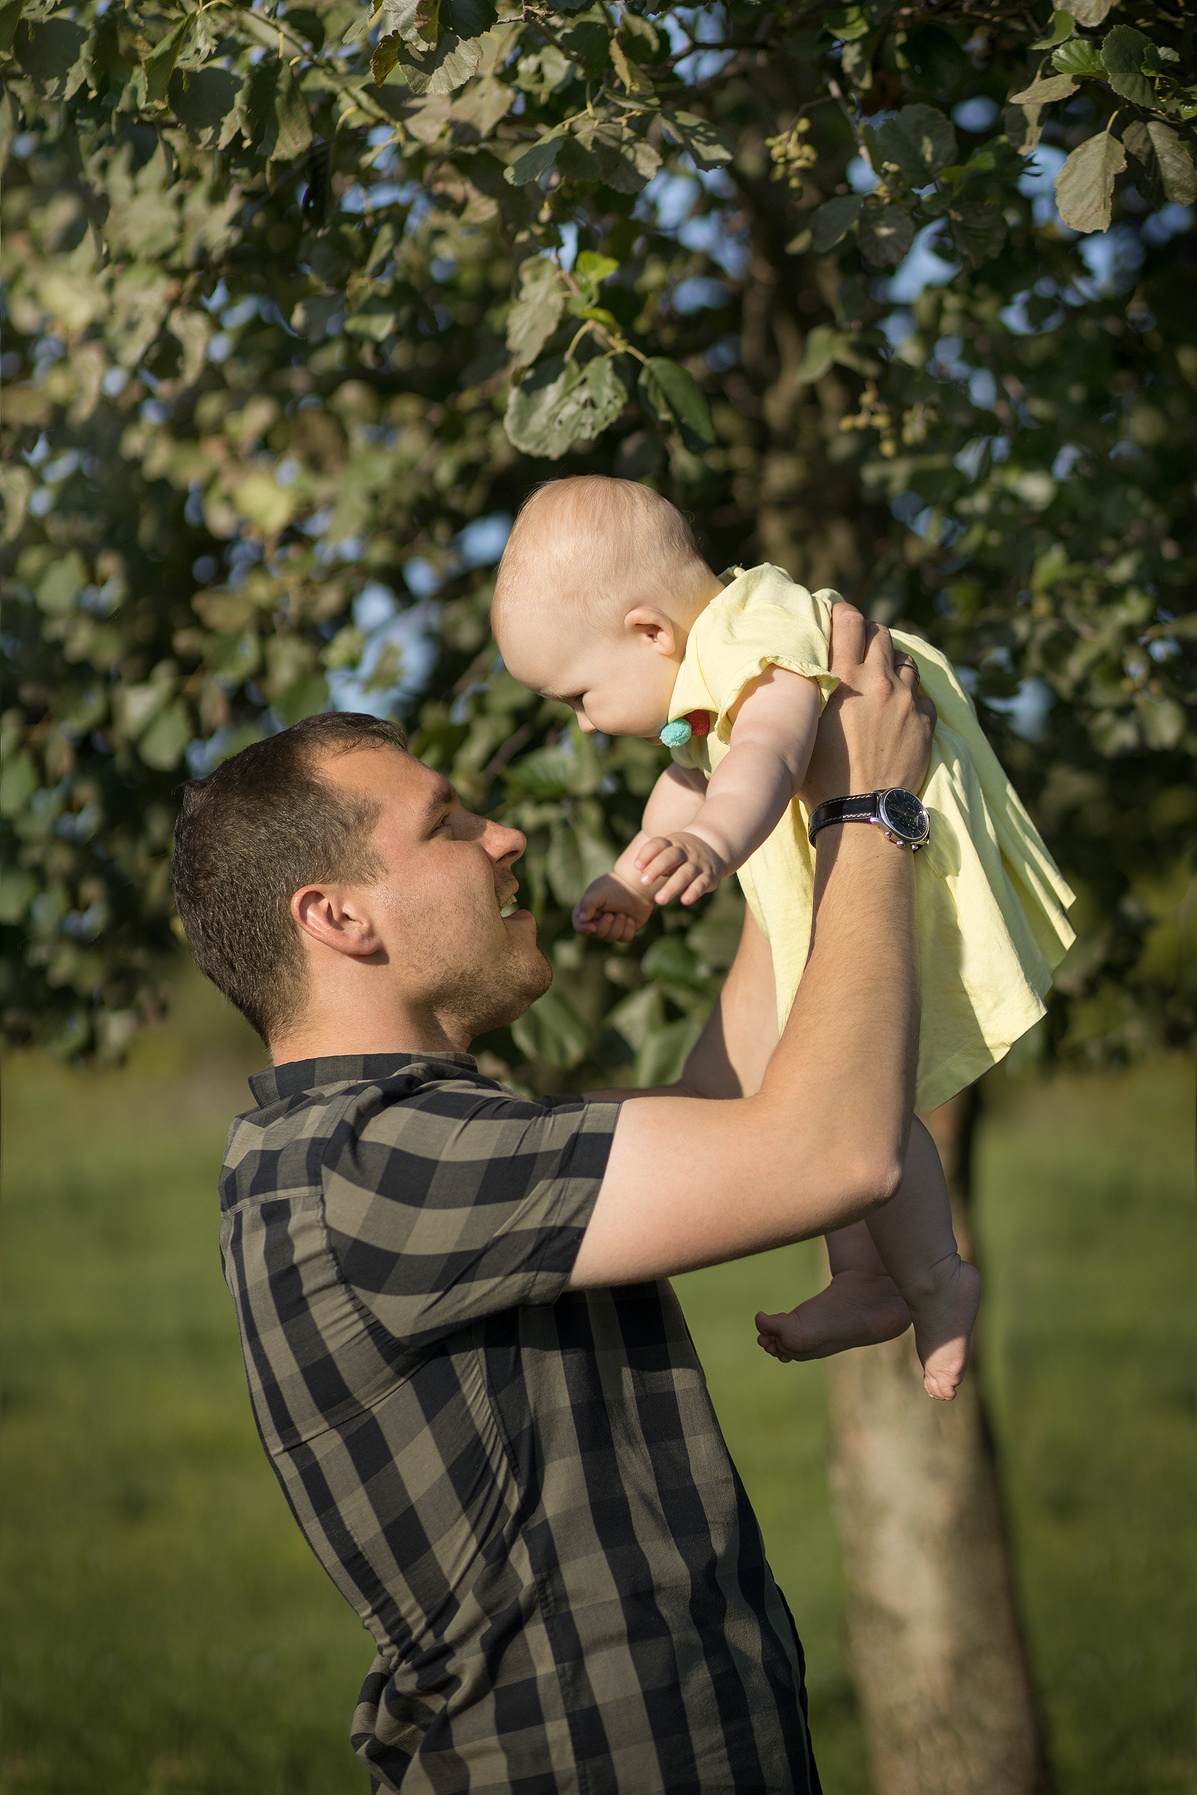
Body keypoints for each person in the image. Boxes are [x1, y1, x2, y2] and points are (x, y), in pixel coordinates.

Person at [170, 605, 934, 1794]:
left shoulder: (406, 1144)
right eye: (449, 825)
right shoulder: (374, 1164)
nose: (509, 834)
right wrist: (874, 813)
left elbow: (727, 1099)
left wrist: (780, 837)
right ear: (337, 916)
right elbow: (830, 1153)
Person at [491, 475, 1076, 1399]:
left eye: (578, 695)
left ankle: (934, 1277)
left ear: (649, 631)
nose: (583, 722)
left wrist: (714, 845)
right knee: (812, 1069)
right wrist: (635, 874)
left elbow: (761, 750)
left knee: (861, 1086)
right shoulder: (706, 662)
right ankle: (867, 1278)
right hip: (852, 838)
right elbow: (693, 777)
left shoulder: (750, 639)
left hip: (901, 834)